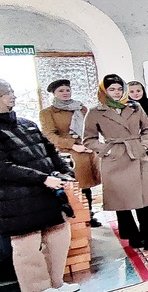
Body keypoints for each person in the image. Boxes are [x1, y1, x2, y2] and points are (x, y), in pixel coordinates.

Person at [0, 79, 78, 292]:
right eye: (6, 93)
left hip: (48, 194)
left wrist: (65, 172)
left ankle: (56, 284)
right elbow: (1, 168)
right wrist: (43, 178)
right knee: (27, 247)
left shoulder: (26, 124)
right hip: (18, 199)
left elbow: (50, 151)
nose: (12, 96)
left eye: (11, 91)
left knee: (57, 237)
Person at [85, 75, 148, 251]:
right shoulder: (95, 112)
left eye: (119, 89)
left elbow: (147, 129)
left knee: (145, 198)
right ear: (104, 91)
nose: (116, 93)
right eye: (112, 89)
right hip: (115, 158)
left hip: (136, 154)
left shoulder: (134, 107)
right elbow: (88, 139)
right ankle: (132, 235)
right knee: (122, 199)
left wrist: (144, 144)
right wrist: (106, 149)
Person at [38, 78, 102, 226]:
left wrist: (91, 142)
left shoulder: (80, 108)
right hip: (67, 151)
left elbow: (92, 127)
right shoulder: (48, 113)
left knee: (87, 186)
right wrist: (72, 145)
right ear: (54, 93)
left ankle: (88, 213)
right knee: (76, 185)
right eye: (61, 91)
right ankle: (79, 217)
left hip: (87, 148)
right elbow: (49, 135)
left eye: (67, 90)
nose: (65, 93)